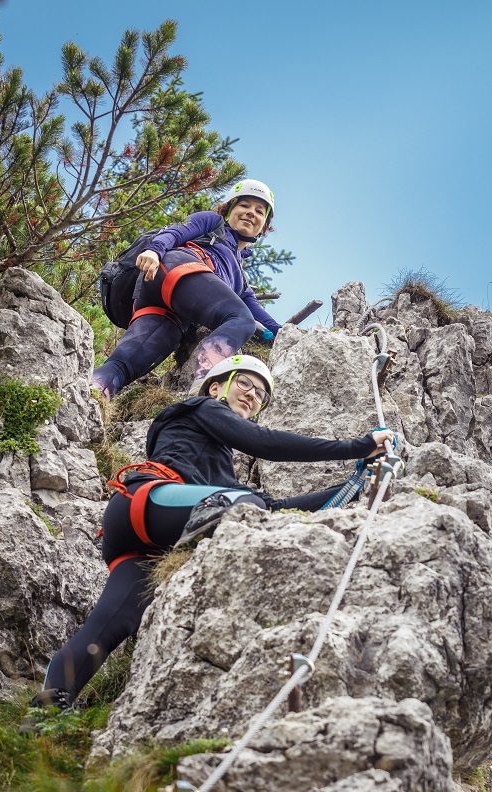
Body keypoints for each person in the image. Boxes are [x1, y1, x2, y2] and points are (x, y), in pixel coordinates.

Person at [30, 355, 395, 711]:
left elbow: (276, 512)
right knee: (243, 504)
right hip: (153, 499)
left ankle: (48, 707)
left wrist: (354, 483)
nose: (253, 395)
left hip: (141, 537)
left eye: (260, 396)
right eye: (246, 384)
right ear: (216, 386)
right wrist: (357, 446)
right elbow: (264, 442)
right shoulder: (200, 408)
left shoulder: (216, 466)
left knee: (108, 625)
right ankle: (204, 530)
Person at [91, 180, 284, 399]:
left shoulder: (240, 280)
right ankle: (204, 386)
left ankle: (90, 393)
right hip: (173, 269)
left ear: (264, 225)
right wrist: (154, 251)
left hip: (166, 308)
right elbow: (175, 232)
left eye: (259, 211)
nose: (250, 213)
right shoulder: (213, 222)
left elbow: (266, 323)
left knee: (123, 366)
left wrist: (286, 336)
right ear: (229, 209)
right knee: (240, 319)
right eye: (244, 206)